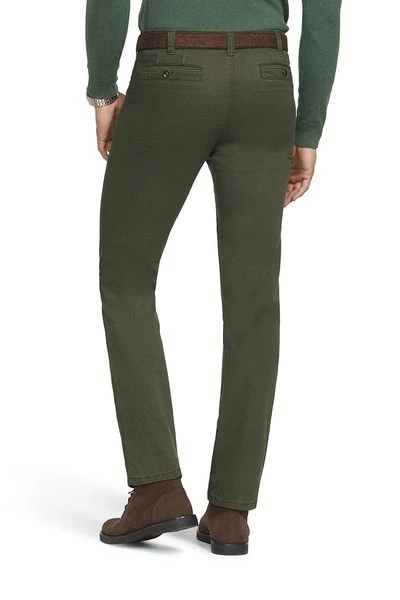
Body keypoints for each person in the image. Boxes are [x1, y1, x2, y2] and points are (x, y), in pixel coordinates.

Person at [85, 0, 342, 555]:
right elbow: (324, 12)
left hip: (170, 75)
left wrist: (103, 90)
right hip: (266, 82)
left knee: (127, 281)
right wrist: (308, 129)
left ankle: (157, 486)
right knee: (254, 298)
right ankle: (231, 510)